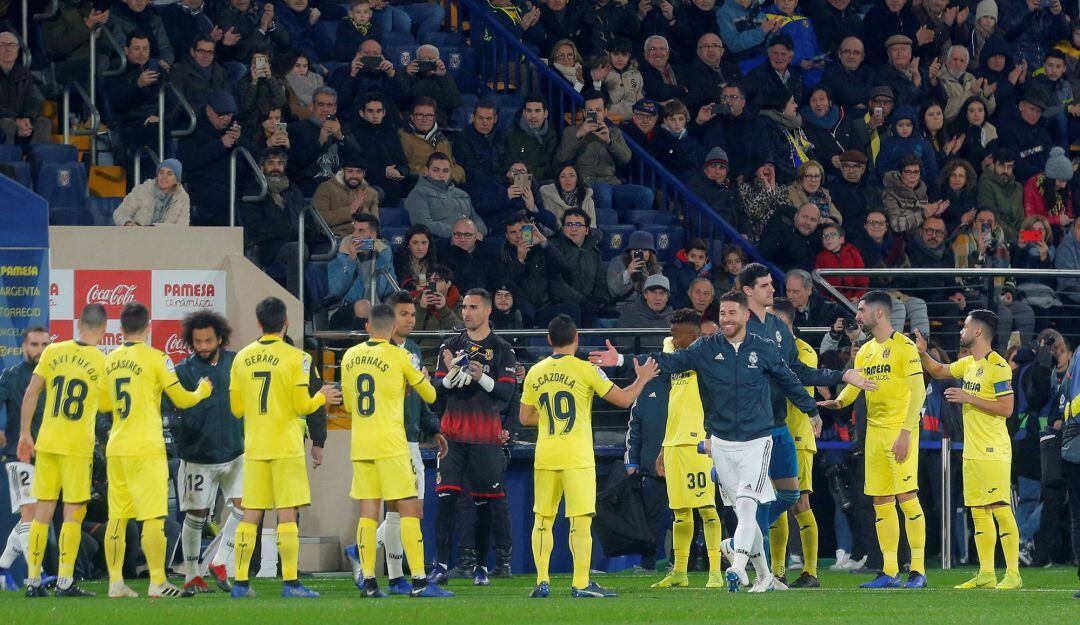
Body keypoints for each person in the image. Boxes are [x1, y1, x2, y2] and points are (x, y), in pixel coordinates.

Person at [590, 291, 825, 593]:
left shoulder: (763, 349)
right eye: (722, 314)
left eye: (731, 313)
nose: (726, 319)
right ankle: (763, 573)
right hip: (722, 442)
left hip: (756, 439)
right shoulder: (705, 349)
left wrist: (811, 409)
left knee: (748, 503)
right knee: (743, 509)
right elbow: (666, 361)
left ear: (745, 316)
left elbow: (789, 380)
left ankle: (737, 566)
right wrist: (622, 359)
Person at [520, 314, 658, 598]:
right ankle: (580, 582)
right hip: (576, 456)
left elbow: (525, 417)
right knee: (580, 520)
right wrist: (642, 379)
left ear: (549, 340)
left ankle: (542, 581)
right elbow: (623, 399)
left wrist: (548, 419)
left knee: (543, 519)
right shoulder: (586, 370)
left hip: (546, 454)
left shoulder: (535, 371)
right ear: (576, 339)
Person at [342, 303, 453, 599]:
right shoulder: (401, 355)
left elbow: (350, 406)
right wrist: (417, 381)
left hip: (361, 443)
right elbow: (429, 394)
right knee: (409, 511)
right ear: (392, 328)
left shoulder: (350, 356)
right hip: (392, 444)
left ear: (368, 326)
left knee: (367, 512)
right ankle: (418, 581)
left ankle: (368, 582)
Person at [102, 301, 212, 598]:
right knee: (153, 518)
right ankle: (157, 582)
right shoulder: (157, 358)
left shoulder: (110, 359)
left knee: (118, 517)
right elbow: (182, 399)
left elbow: (102, 404)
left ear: (121, 329)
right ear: (148, 327)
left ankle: (115, 583)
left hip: (117, 446)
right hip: (146, 448)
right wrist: (202, 390)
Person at [819, 291, 928, 589]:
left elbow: (918, 393)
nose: (857, 315)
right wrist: (839, 402)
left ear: (879, 314)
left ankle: (918, 570)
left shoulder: (904, 346)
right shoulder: (865, 350)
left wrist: (906, 432)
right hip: (875, 433)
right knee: (881, 501)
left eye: (862, 310)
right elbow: (857, 387)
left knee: (907, 498)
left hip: (899, 430)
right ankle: (889, 571)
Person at [915, 312, 1022, 589]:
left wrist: (968, 397)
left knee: (999, 507)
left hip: (993, 449)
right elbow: (939, 371)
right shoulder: (969, 364)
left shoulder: (998, 366)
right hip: (972, 450)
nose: (961, 329)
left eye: (965, 326)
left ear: (977, 332)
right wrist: (923, 353)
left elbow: (1007, 408)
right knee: (978, 511)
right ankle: (986, 573)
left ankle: (1013, 573)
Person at [428, 289, 518, 586]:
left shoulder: (502, 348)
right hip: (451, 437)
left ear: (488, 310)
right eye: (464, 307)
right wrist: (450, 377)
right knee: (446, 500)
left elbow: (506, 393)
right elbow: (435, 391)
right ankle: (441, 564)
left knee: (487, 502)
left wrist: (481, 377)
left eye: (473, 307)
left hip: (486, 438)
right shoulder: (450, 345)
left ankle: (484, 564)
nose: (466, 312)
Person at [15, 308, 106, 598]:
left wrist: (25, 433)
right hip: (77, 447)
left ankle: (33, 581)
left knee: (41, 515)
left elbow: (31, 393)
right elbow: (105, 405)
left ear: (78, 324)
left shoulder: (53, 351)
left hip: (48, 442)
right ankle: (65, 581)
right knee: (72, 516)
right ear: (104, 328)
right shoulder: (101, 360)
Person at [641, 309, 726, 589]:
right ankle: (680, 571)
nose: (672, 340)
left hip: (698, 442)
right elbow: (674, 404)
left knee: (707, 509)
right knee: (679, 511)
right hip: (674, 442)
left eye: (678, 335)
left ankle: (715, 570)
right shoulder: (675, 355)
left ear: (693, 335)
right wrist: (664, 447)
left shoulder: (706, 355)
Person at [167, 311, 243, 594]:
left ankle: (219, 561)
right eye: (197, 341)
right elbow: (171, 411)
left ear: (220, 338)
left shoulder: (236, 363)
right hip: (198, 457)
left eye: (208, 340)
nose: (202, 346)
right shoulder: (183, 371)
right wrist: (181, 434)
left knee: (245, 508)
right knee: (197, 516)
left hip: (236, 452)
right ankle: (190, 576)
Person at [767, 297, 823, 588]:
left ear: (786, 323)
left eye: (771, 319)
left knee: (800, 503)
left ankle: (811, 571)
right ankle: (777, 572)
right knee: (775, 502)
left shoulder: (804, 352)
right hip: (771, 435)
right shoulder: (766, 348)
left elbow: (794, 385)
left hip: (798, 436)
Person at [0, 327, 48, 590]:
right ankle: (36, 577)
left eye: (44, 345)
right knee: (30, 516)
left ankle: (4, 565)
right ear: (23, 346)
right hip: (19, 456)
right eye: (34, 345)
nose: (39, 350)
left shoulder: (52, 377)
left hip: (48, 455)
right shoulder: (10, 377)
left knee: (34, 518)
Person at [555, 91, 653, 213]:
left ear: (605, 112)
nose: (595, 114)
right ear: (585, 113)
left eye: (598, 110)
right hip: (585, 184)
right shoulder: (571, 131)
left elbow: (626, 158)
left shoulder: (614, 132)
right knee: (603, 191)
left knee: (646, 194)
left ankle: (631, 229)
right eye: (591, 111)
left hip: (612, 183)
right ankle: (607, 230)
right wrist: (579, 135)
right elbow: (561, 158)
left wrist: (609, 141)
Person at [490, 212, 580, 327]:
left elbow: (563, 266)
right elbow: (506, 285)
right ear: (507, 236)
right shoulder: (501, 255)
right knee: (525, 314)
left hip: (545, 305)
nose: (518, 236)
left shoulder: (541, 249)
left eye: (522, 230)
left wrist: (545, 243)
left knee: (572, 309)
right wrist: (519, 260)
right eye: (513, 232)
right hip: (519, 307)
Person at [240, 147, 307, 298]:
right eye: (271, 163)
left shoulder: (293, 191)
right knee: (298, 249)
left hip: (295, 240)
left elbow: (305, 219)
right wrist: (289, 229)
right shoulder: (254, 190)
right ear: (262, 167)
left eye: (280, 163)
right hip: (266, 246)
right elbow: (254, 226)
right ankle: (295, 302)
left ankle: (319, 306)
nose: (276, 168)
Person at [178, 90, 248, 226]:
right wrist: (220, 145)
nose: (226, 119)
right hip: (204, 184)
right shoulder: (192, 130)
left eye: (229, 114)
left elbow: (253, 159)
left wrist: (242, 141)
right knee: (223, 198)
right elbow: (189, 162)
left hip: (234, 183)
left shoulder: (233, 129)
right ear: (209, 111)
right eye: (221, 115)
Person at [327, 212, 397, 329]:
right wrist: (351, 259)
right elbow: (335, 290)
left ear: (373, 235)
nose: (355, 235)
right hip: (344, 311)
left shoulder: (382, 254)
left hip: (376, 311)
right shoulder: (343, 254)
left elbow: (391, 289)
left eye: (361, 231)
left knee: (403, 301)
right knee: (364, 305)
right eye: (354, 230)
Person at [287, 86, 360, 196]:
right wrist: (319, 143)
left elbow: (357, 157)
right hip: (311, 181)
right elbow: (294, 164)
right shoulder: (296, 128)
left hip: (342, 180)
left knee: (377, 192)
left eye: (329, 105)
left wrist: (340, 137)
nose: (325, 109)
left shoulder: (344, 128)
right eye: (320, 105)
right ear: (312, 106)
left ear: (335, 109)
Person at [404, 152, 487, 240]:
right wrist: (460, 233)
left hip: (469, 240)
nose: (441, 175)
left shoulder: (462, 194)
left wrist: (479, 232)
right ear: (427, 171)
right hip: (441, 241)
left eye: (445, 171)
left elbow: (476, 219)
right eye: (436, 170)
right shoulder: (418, 193)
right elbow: (422, 224)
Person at [548, 208, 609, 326]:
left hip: (587, 307)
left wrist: (602, 301)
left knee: (600, 327)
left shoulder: (594, 252)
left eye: (578, 224)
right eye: (569, 224)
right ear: (563, 228)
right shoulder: (555, 249)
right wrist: (583, 301)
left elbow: (600, 282)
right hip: (560, 305)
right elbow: (556, 284)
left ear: (586, 230)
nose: (573, 228)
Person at [350, 93, 410, 205]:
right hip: (369, 180)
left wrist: (399, 172)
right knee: (392, 188)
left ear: (384, 113)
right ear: (362, 113)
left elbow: (403, 162)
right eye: (370, 111)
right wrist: (384, 172)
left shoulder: (391, 134)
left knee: (418, 184)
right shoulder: (355, 135)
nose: (375, 115)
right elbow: (356, 167)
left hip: (394, 177)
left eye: (378, 111)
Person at [455, 99, 511, 210]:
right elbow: (471, 171)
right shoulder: (462, 138)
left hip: (500, 184)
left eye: (489, 119)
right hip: (476, 188)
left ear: (495, 119)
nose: (484, 123)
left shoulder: (501, 137)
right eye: (480, 118)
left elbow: (508, 161)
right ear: (473, 117)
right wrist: (501, 189)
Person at [312, 148, 379, 238]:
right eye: (350, 171)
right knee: (350, 248)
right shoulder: (325, 188)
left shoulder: (371, 193)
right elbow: (318, 220)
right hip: (334, 239)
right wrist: (350, 210)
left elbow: (375, 225)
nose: (354, 176)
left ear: (364, 174)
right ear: (342, 172)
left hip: (363, 239)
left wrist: (362, 209)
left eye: (358, 172)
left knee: (384, 249)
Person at [0, 31, 50, 145]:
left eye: (11, 45)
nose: (7, 49)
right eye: (2, 45)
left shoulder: (24, 74)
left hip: (19, 120)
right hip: (5, 121)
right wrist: (16, 120)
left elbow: (32, 101)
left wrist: (28, 119)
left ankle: (36, 160)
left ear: (17, 51)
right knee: (8, 124)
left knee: (44, 122)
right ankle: (8, 160)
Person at [400, 97, 465, 183]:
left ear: (434, 118)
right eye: (420, 115)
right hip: (418, 185)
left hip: (447, 185)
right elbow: (403, 167)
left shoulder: (442, 139)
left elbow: (453, 166)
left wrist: (456, 174)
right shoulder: (403, 137)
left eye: (429, 116)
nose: (424, 119)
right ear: (412, 117)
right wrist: (431, 173)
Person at [112, 159, 190, 226]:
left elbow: (183, 226)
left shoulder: (183, 198)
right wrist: (127, 223)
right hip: (137, 237)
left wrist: (158, 228)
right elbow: (119, 213)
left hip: (166, 240)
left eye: (169, 174)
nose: (164, 177)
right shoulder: (142, 190)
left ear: (176, 180)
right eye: (161, 173)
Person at [169, 36, 231, 117]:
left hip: (220, 119)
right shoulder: (179, 72)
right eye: (201, 51)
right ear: (192, 52)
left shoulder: (221, 72)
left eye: (209, 52)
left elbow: (229, 100)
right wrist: (207, 113)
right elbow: (176, 106)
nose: (205, 56)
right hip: (192, 121)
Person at [686, 148, 745, 232]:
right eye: (713, 166)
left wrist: (743, 233)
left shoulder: (732, 188)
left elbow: (741, 214)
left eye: (722, 167)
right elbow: (700, 219)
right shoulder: (696, 185)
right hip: (708, 239)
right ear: (705, 169)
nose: (717, 171)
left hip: (732, 238)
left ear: (726, 172)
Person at [402, 45, 462, 125]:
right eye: (423, 59)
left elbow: (454, 102)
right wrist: (407, 75)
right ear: (416, 60)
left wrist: (443, 77)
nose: (427, 62)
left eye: (431, 60)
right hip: (411, 122)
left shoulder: (443, 77)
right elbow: (401, 98)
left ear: (438, 61)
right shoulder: (408, 74)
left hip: (437, 122)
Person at [757, 202, 822, 273]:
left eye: (813, 220)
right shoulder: (780, 224)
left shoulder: (816, 243)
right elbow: (765, 251)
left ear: (817, 224)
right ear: (795, 216)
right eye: (804, 217)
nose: (808, 222)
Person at [506, 95, 559, 183]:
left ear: (545, 114)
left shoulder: (551, 135)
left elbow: (552, 167)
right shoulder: (511, 135)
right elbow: (510, 166)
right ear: (524, 113)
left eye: (537, 111)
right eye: (529, 111)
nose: (533, 116)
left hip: (543, 184)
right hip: (517, 183)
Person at [1023, 146, 1075, 236]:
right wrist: (1057, 220)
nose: (1064, 185)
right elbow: (1030, 220)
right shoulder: (1032, 187)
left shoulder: (1063, 187)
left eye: (1066, 181)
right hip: (1035, 234)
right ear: (1051, 179)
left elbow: (1069, 211)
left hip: (1060, 232)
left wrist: (1068, 220)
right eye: (1061, 181)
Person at [976, 147, 1024, 240]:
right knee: (1033, 251)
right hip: (995, 236)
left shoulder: (1018, 187)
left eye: (1009, 167)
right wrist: (1017, 236)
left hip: (1018, 236)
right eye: (1001, 166)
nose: (1005, 171)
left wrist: (1025, 235)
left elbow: (1021, 218)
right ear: (994, 165)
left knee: (1042, 240)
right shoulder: (985, 183)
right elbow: (990, 219)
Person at [816, 223, 869, 301]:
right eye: (824, 236)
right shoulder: (821, 257)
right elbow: (820, 283)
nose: (827, 238)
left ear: (841, 239)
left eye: (832, 235)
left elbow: (862, 279)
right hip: (831, 300)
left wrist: (858, 296)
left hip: (853, 298)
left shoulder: (852, 252)